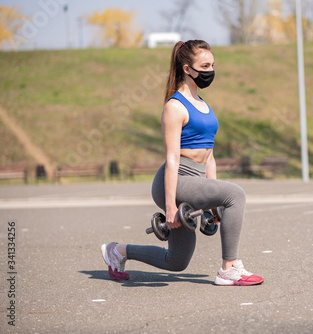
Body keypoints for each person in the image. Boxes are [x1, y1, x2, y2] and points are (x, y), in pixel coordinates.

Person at [101, 40, 264, 286]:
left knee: (176, 262)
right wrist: (169, 208)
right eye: (204, 65)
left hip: (196, 182)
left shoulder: (204, 106)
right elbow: (172, 158)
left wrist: (213, 205)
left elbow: (209, 155)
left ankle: (118, 251)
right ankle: (229, 269)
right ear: (187, 69)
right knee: (236, 195)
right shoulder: (175, 107)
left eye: (212, 65)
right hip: (176, 181)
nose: (210, 71)